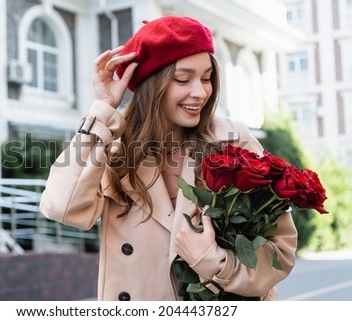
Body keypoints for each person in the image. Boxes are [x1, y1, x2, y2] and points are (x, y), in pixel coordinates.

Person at [39, 15, 298, 301]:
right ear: (153, 86)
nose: (200, 92)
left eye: (207, 78)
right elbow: (61, 208)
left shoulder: (234, 141)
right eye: (183, 79)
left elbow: (281, 251)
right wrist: (101, 110)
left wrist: (212, 260)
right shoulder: (115, 149)